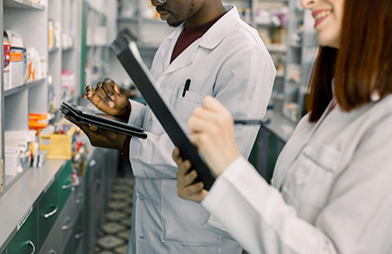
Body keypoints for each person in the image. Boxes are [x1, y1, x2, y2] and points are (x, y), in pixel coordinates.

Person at [173, 0, 392, 253]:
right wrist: (216, 191)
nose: (306, 2)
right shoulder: (325, 112)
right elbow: (288, 220)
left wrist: (231, 167)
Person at [68, 0, 276, 252]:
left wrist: (127, 144)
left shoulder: (245, 53)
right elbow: (164, 122)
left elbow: (218, 157)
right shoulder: (170, 43)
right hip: (148, 229)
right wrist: (127, 112)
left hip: (194, 239)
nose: (154, 1)